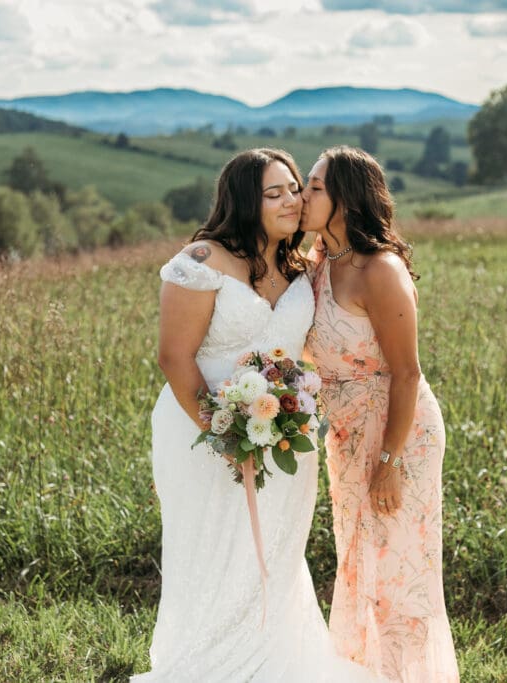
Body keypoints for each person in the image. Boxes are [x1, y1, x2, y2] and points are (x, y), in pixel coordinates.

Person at [134, 148, 380, 682]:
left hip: (286, 433)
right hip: (201, 427)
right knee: (214, 544)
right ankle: (207, 661)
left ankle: (273, 657)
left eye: (296, 188)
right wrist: (223, 430)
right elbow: (174, 357)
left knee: (276, 548)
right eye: (275, 192)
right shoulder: (200, 261)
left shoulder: (300, 264)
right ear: (246, 200)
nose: (292, 200)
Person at [301, 146, 459, 682]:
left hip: (401, 432)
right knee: (356, 564)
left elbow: (408, 373)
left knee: (397, 570)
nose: (304, 194)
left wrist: (389, 460)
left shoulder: (380, 270)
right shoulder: (319, 266)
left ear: (345, 199)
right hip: (344, 433)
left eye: (316, 187)